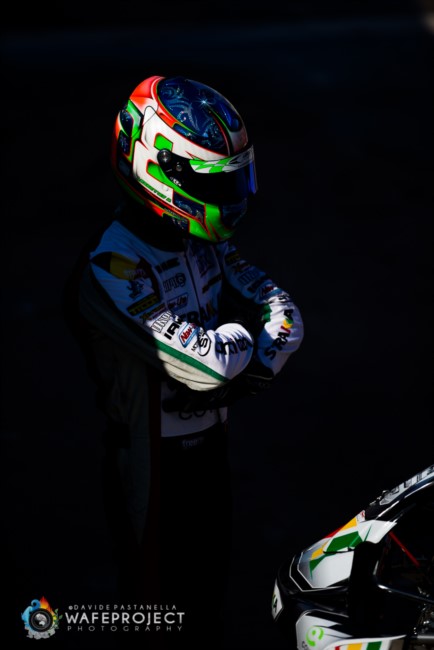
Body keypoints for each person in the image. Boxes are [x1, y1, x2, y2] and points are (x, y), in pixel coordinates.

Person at [63, 74, 304, 649]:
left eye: (233, 181)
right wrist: (248, 349)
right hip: (150, 467)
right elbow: (212, 366)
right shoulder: (110, 264)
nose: (229, 198)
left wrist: (250, 360)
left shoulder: (202, 242)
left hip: (209, 454)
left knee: (207, 607)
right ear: (155, 168)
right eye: (209, 183)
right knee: (158, 614)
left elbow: (287, 316)